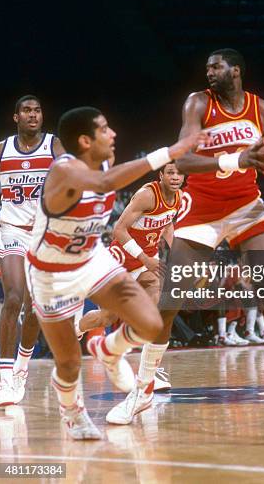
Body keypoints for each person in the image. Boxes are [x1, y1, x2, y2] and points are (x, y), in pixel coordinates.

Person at [103, 48, 264, 428]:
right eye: (207, 66)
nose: (209, 71)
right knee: (170, 304)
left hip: (246, 208)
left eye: (217, 66)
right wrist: (235, 160)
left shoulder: (262, 110)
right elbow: (183, 160)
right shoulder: (198, 104)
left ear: (236, 70)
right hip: (200, 209)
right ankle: (142, 392)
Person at [25, 106, 207, 440]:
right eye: (105, 129)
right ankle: (73, 412)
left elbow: (114, 184)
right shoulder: (65, 171)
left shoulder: (108, 165)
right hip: (52, 273)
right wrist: (171, 152)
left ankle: (109, 348)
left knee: (153, 322)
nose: (113, 134)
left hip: (92, 259)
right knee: (67, 364)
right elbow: (106, 183)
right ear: (84, 140)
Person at [76, 162, 185, 391]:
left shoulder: (179, 198)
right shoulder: (147, 195)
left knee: (156, 314)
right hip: (121, 261)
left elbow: (166, 225)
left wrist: (176, 253)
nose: (176, 177)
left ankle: (150, 374)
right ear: (161, 175)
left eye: (180, 173)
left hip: (147, 264)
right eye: (171, 172)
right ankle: (76, 328)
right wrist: (145, 258)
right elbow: (118, 230)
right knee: (106, 319)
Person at [0, 95, 64, 406]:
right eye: (26, 110)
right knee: (12, 299)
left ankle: (22, 368)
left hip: (44, 235)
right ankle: (6, 378)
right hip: (10, 231)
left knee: (36, 308)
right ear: (16, 117)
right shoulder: (2, 149)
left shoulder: (54, 146)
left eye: (37, 110)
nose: (33, 115)